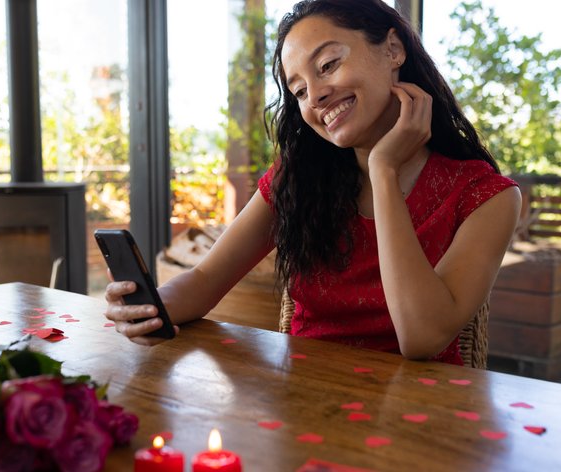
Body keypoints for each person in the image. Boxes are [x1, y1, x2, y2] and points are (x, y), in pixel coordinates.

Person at [104, 0, 521, 365]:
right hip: (305, 401)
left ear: (393, 49)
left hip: (421, 419)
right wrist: (150, 308)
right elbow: (204, 281)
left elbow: (422, 338)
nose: (316, 96)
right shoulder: (298, 178)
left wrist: (383, 169)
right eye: (299, 90)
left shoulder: (486, 197)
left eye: (328, 65)